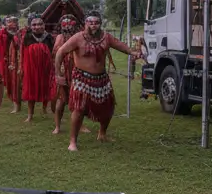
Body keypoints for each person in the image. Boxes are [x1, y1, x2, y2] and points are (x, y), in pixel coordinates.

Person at [54, 12, 137, 151]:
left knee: (108, 108)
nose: (93, 25)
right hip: (81, 78)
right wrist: (58, 73)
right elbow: (60, 52)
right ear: (85, 23)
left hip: (101, 79)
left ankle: (102, 134)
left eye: (96, 22)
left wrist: (132, 52)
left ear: (100, 23)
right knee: (79, 109)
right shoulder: (78, 38)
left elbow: (120, 45)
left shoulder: (106, 37)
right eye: (90, 22)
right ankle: (73, 141)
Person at [20, 15, 56, 122]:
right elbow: (22, 53)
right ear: (30, 26)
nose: (37, 27)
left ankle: (45, 109)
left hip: (46, 68)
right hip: (31, 68)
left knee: (46, 87)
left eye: (40, 24)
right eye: (34, 25)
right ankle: (30, 115)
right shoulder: (27, 37)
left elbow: (53, 53)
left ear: (44, 25)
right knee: (31, 90)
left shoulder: (49, 37)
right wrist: (21, 67)